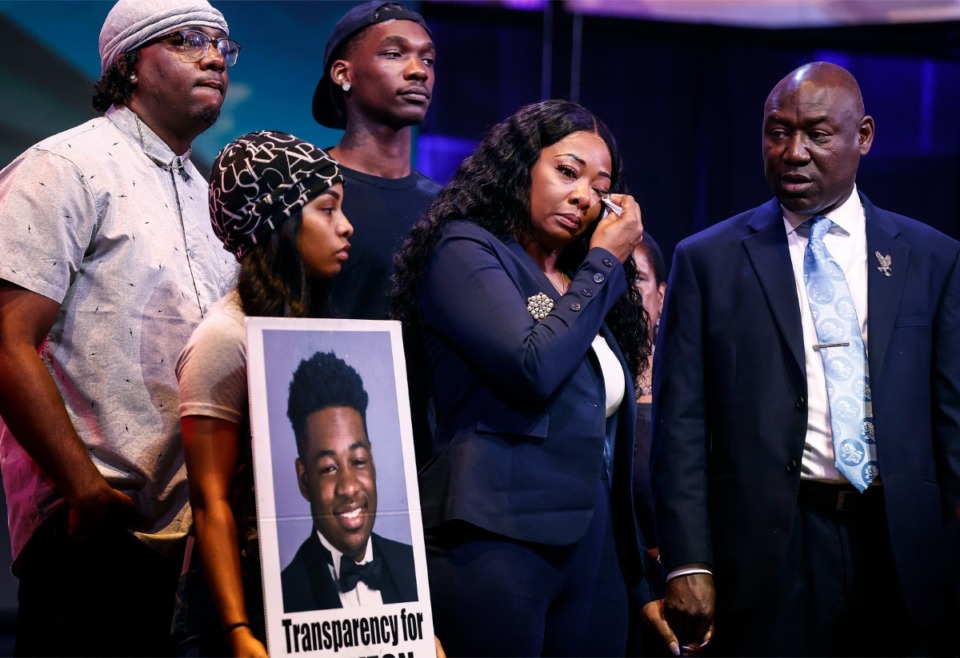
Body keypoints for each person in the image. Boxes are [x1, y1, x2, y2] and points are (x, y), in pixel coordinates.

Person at [652, 61, 960, 656]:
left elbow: (952, 421)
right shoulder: (707, 260)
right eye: (777, 131)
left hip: (903, 545)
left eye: (817, 134)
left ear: (863, 136)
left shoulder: (933, 258)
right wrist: (688, 558)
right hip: (772, 546)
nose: (794, 152)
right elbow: (680, 425)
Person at [393, 99, 679, 657]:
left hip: (591, 550)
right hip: (497, 536)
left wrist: (635, 573)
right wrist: (603, 263)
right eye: (567, 172)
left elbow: (607, 447)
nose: (582, 196)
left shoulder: (579, 280)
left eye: (600, 187)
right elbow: (532, 367)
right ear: (520, 166)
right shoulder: (465, 248)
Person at [0, 0, 238, 654]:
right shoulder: (66, 166)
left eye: (222, 44)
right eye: (190, 41)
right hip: (92, 532)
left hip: (191, 545)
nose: (215, 57)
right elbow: (7, 342)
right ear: (130, 64)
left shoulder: (208, 193)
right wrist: (86, 492)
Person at [174, 131, 353, 657]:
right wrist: (237, 631)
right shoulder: (225, 338)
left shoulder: (318, 330)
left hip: (318, 599)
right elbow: (212, 501)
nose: (346, 226)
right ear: (279, 221)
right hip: (242, 602)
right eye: (327, 209)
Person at [312, 0, 441, 320]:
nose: (418, 71)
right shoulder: (305, 189)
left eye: (427, 59)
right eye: (394, 54)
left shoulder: (445, 206)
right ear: (343, 73)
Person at [280, 351, 418, 612]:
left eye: (358, 461)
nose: (349, 487)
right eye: (329, 468)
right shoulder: (285, 595)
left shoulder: (413, 567)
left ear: (373, 461)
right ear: (304, 479)